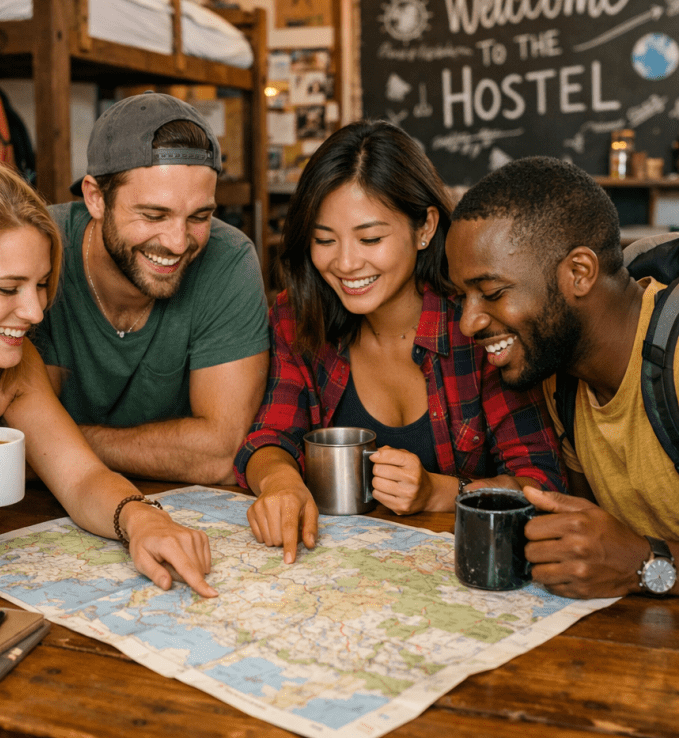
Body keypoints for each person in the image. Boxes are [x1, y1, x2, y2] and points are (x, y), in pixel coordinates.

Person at [0, 136, 216, 597]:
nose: (34, 312)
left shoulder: (11, 365)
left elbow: (81, 477)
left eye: (41, 285)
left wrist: (142, 519)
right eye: (9, 289)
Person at [234, 120, 567, 563]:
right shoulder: (297, 316)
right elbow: (269, 435)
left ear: (425, 227)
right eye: (324, 240)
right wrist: (280, 482)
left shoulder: (475, 326)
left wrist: (440, 491)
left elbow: (542, 483)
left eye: (370, 238)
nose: (347, 263)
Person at [446, 155, 679, 599]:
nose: (468, 322)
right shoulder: (559, 376)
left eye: (492, 293)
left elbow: (626, 558)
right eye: (463, 297)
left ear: (579, 273)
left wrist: (647, 562)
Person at [32, 92, 269, 485]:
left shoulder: (229, 259)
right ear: (95, 198)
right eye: (153, 215)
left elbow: (221, 455)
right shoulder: (39, 249)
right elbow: (11, 437)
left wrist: (56, 442)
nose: (178, 242)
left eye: (200, 216)